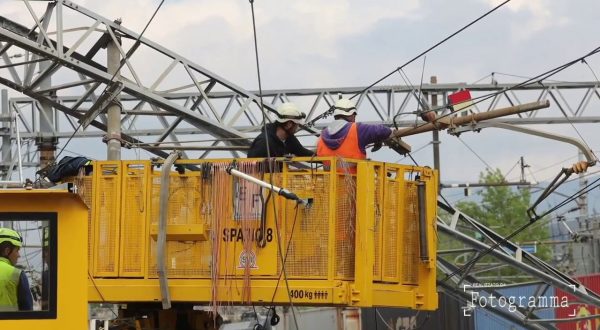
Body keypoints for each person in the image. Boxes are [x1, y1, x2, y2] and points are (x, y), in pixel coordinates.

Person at [317, 98, 395, 172]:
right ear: (352, 114)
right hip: (355, 184)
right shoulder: (357, 129)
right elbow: (385, 131)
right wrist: (379, 139)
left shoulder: (321, 136)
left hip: (329, 184)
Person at [247, 103, 314, 158]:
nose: (297, 127)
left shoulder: (288, 139)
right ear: (289, 124)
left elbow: (302, 152)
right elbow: (251, 166)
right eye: (297, 124)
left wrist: (322, 157)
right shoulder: (264, 142)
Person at [0, 227, 33, 311]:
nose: (19, 255)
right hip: (10, 324)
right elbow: (28, 310)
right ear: (7, 251)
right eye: (17, 251)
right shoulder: (16, 273)